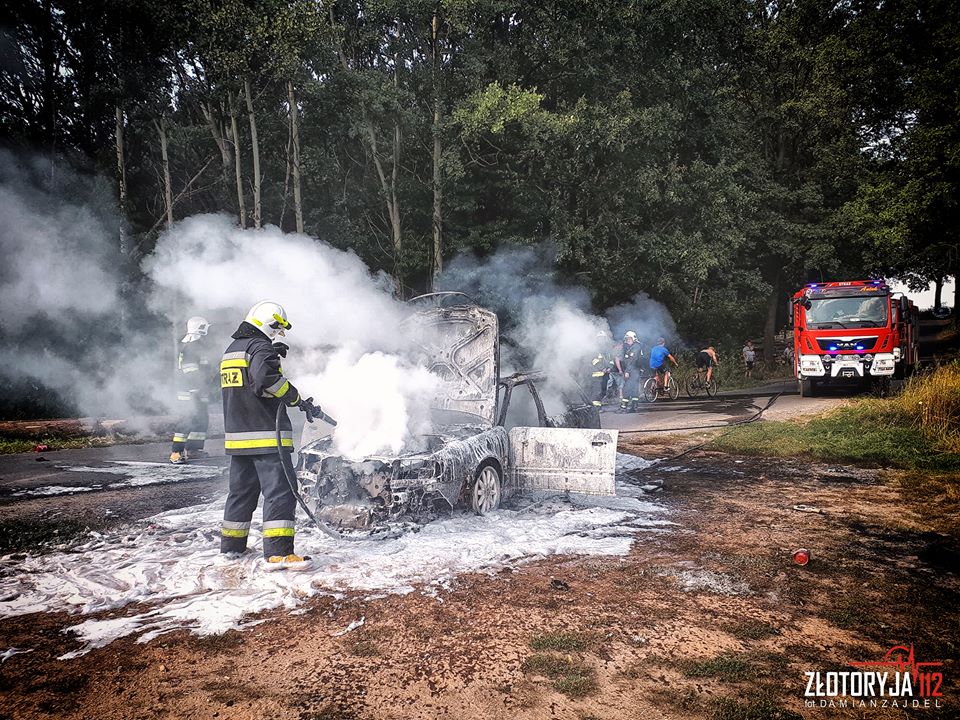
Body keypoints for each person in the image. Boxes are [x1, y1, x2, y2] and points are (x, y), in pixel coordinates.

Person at [219, 300, 324, 572]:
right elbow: (265, 380)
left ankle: (232, 548)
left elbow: (248, 381)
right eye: (277, 329)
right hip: (265, 436)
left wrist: (268, 353)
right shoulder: (261, 347)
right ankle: (279, 554)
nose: (277, 334)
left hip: (238, 437)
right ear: (268, 322)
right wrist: (295, 397)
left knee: (241, 494)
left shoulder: (233, 349)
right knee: (281, 493)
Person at [170, 316, 214, 464]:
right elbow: (191, 370)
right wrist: (198, 388)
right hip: (189, 391)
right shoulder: (192, 347)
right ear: (201, 329)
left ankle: (194, 450)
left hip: (199, 390)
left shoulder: (197, 346)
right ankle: (176, 451)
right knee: (187, 420)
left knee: (201, 420)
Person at [619, 331, 645, 412]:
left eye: (629, 338)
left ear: (634, 339)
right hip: (634, 371)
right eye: (626, 339)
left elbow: (632, 360)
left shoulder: (636, 347)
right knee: (633, 389)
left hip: (633, 371)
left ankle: (624, 407)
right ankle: (634, 407)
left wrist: (627, 371)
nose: (628, 340)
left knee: (627, 388)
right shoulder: (630, 347)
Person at [588, 331, 610, 407]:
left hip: (605, 375)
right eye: (600, 338)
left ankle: (598, 405)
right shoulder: (594, 348)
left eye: (603, 338)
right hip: (596, 375)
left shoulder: (606, 349)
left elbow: (610, 360)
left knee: (603, 392)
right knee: (597, 391)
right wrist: (602, 368)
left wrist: (609, 368)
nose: (601, 340)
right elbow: (594, 360)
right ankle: (596, 408)